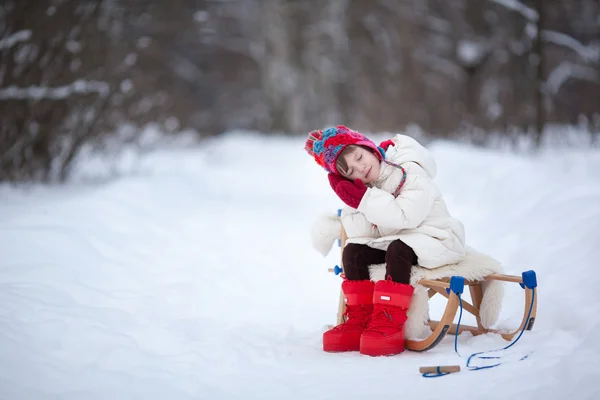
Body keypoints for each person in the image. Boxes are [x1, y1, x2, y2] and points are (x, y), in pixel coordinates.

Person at [304, 125, 466, 357]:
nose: (360, 168)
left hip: (437, 238)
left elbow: (405, 217)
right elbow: (364, 235)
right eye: (351, 172)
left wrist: (365, 199)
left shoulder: (408, 170)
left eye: (360, 157)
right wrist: (354, 200)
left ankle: (390, 323)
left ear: (368, 147)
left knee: (398, 249)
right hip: (397, 240)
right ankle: (360, 320)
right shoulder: (364, 189)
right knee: (354, 251)